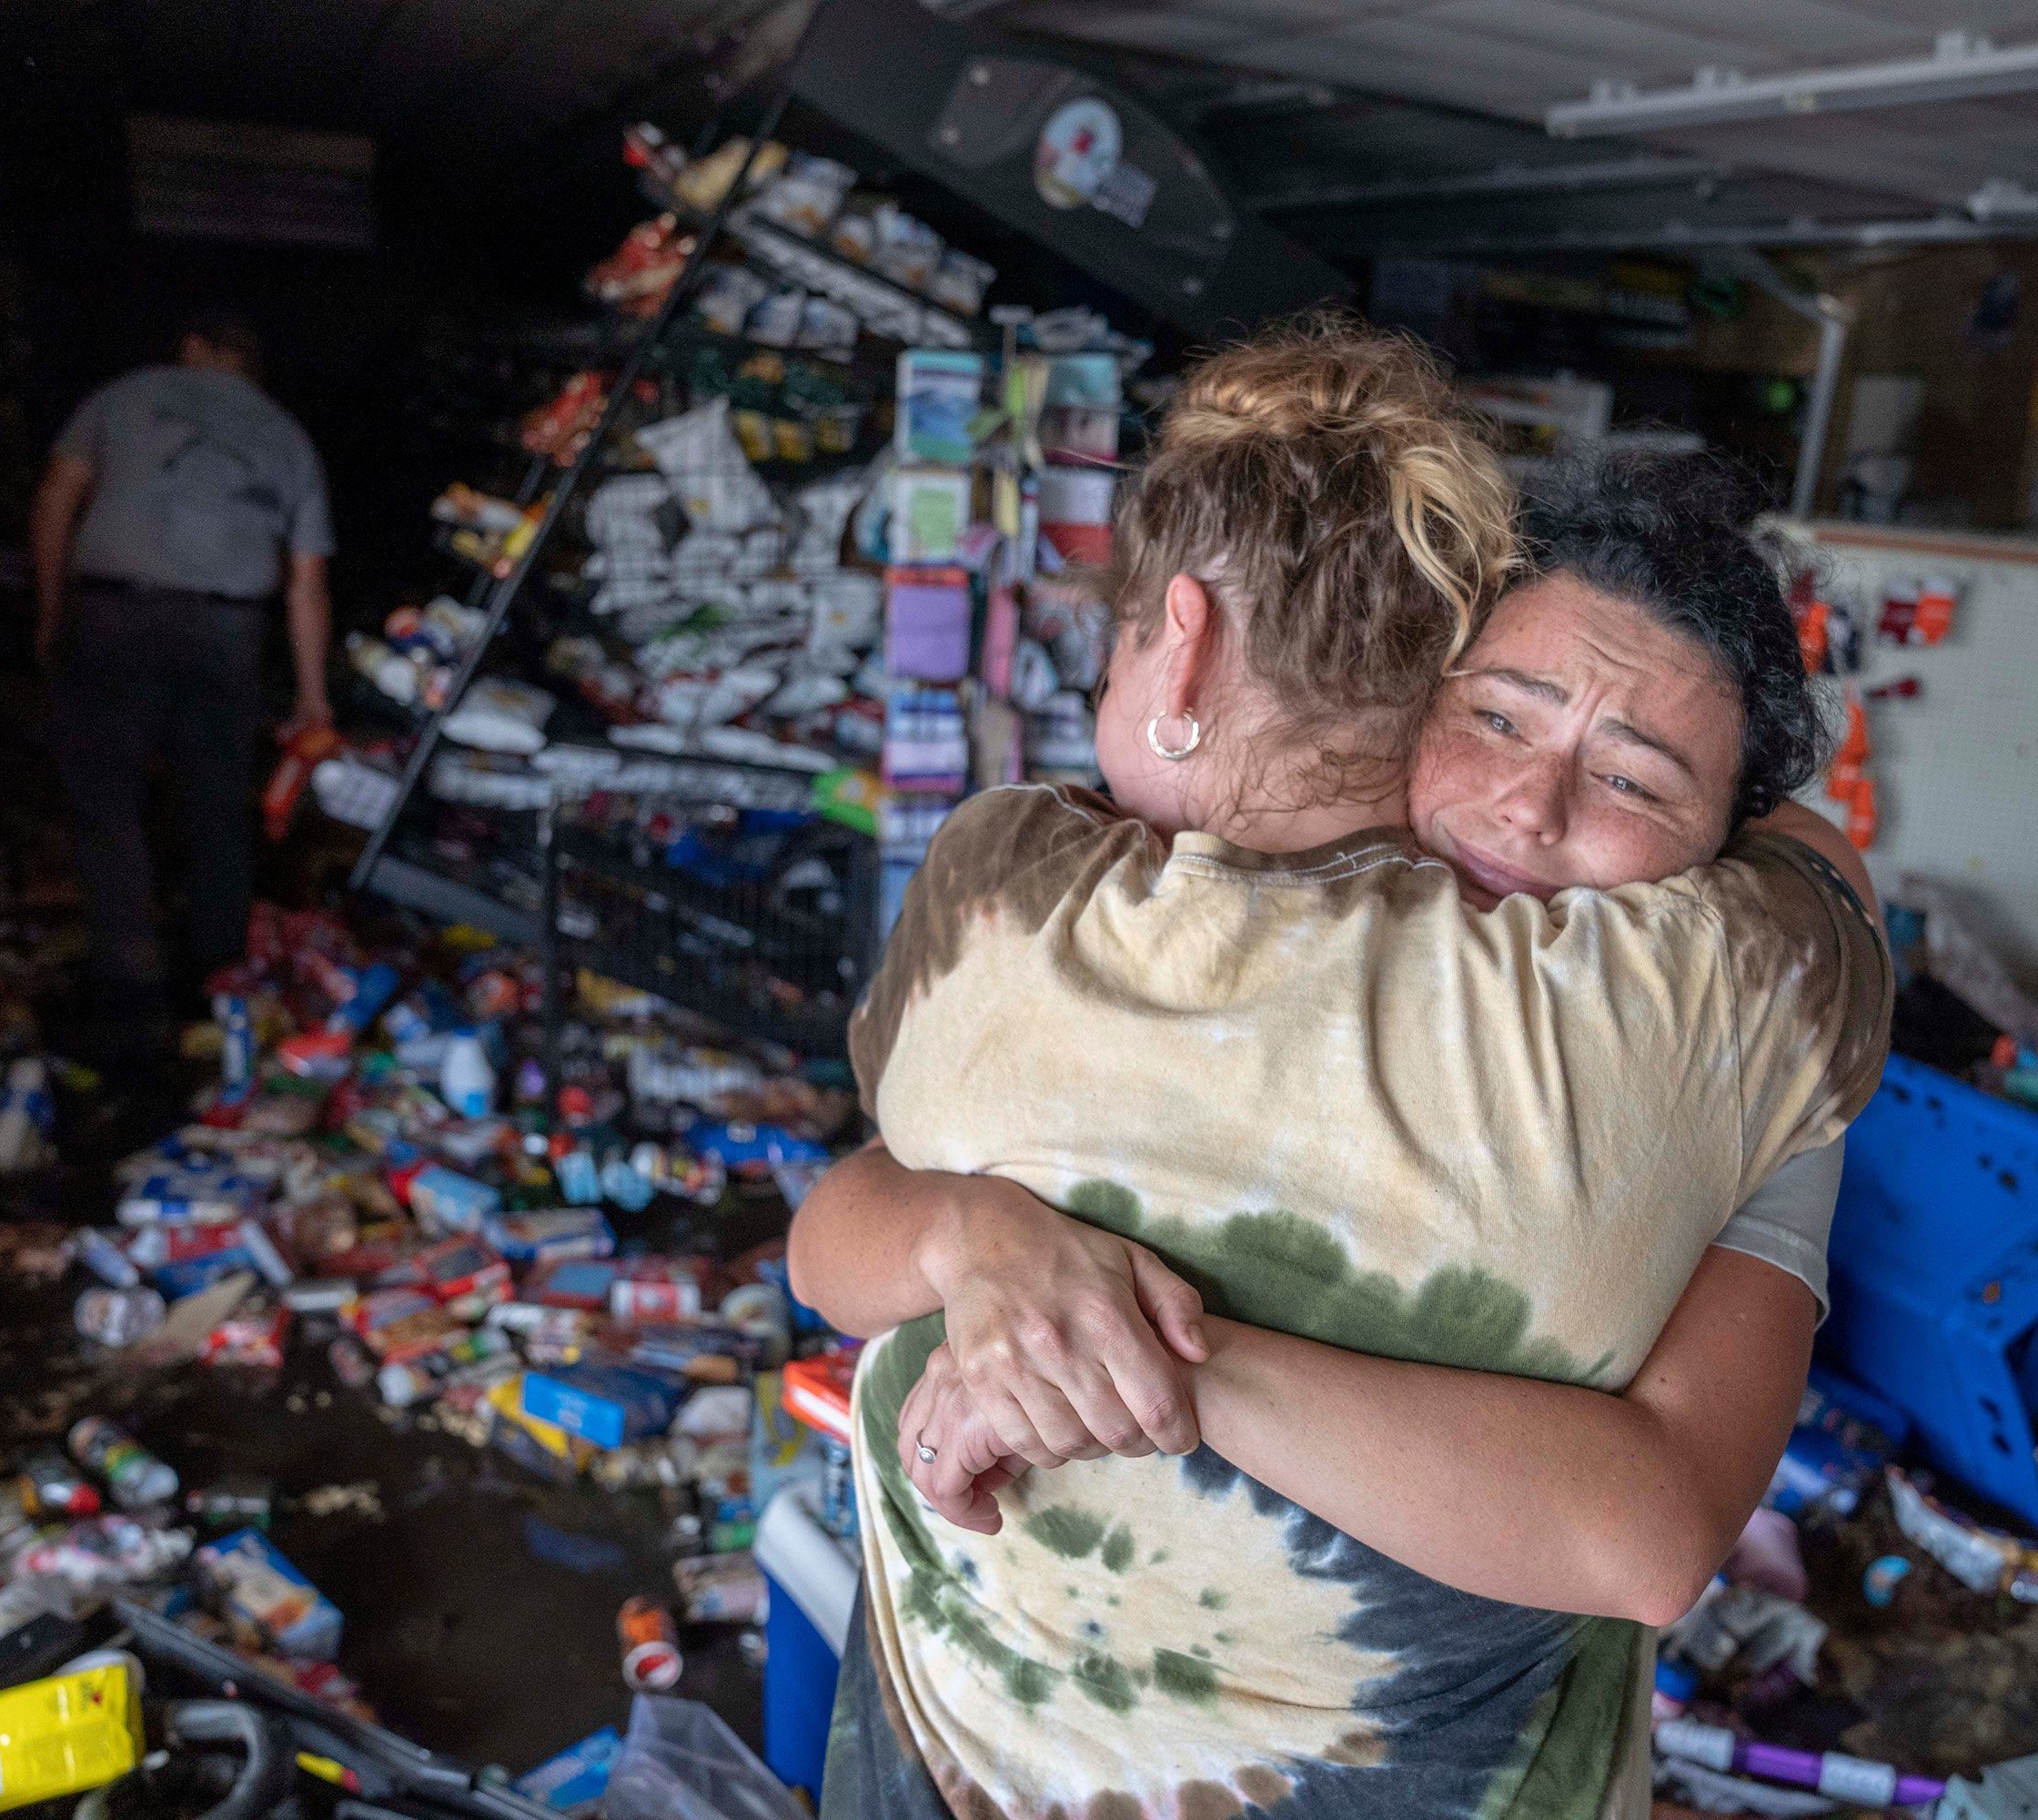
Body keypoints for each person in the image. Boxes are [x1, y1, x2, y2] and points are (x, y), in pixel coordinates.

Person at [791, 323, 1890, 1818]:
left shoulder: (1733, 1063)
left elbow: (1648, 1532)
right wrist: (979, 1242)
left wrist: (1151, 1354)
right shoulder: (1163, 899)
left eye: (1633, 779)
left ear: (1722, 859)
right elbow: (841, 1232)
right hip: (949, 1744)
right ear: (1407, 688)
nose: (1530, 799)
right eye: (1495, 713)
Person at [31, 306, 335, 1054]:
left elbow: (55, 501)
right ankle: (219, 973)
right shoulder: (288, 436)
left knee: (107, 799)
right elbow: (306, 583)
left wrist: (48, 610)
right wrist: (311, 694)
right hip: (227, 630)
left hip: (115, 615)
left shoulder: (123, 396)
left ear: (192, 347)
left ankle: (129, 979)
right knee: (217, 798)